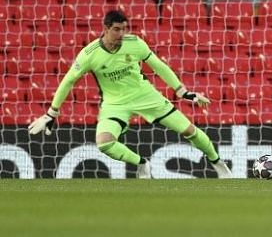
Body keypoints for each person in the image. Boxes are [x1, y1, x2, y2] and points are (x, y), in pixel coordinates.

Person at [27, 10, 232, 179]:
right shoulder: (89, 54)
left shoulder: (135, 43)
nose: (121, 33)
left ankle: (218, 163)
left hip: (145, 96)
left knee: (189, 131)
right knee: (105, 143)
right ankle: (142, 163)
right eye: (117, 29)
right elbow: (68, 81)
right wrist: (52, 113)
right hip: (115, 104)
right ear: (106, 29)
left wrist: (183, 92)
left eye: (124, 29)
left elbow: (159, 66)